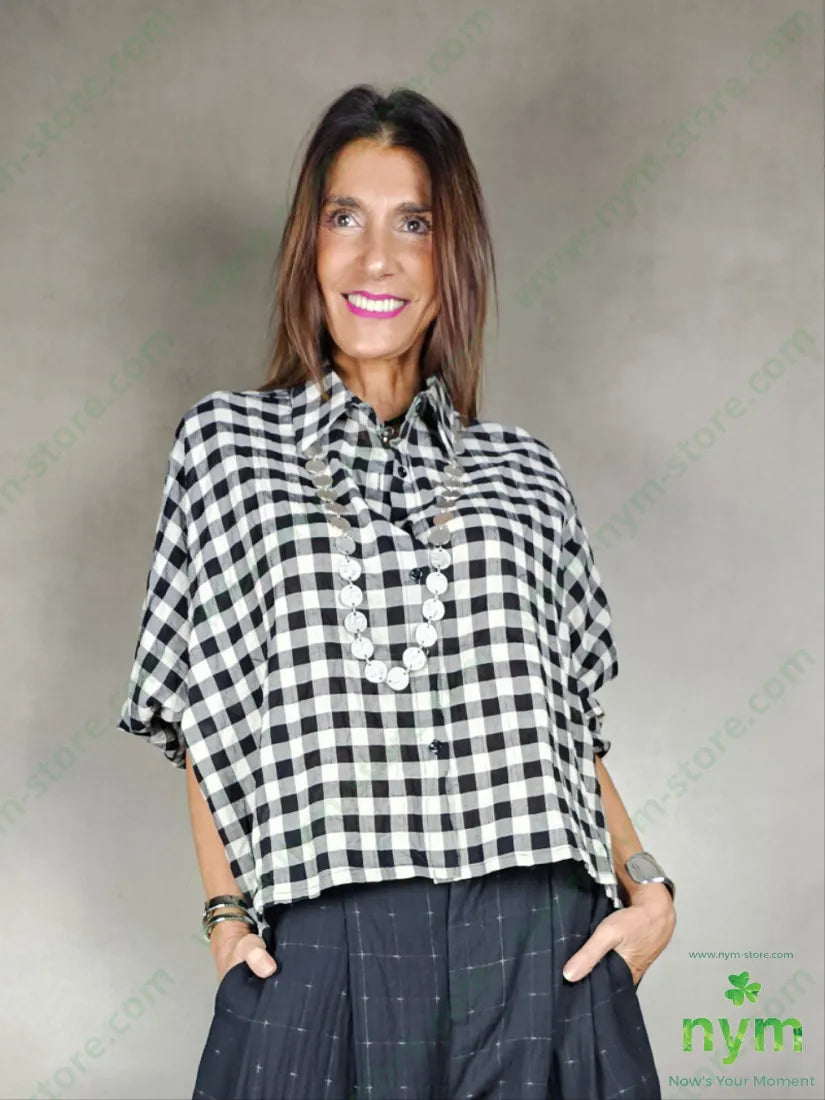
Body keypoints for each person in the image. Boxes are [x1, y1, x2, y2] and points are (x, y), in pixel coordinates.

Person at [117, 83, 676, 1100]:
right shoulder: (227, 446)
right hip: (328, 939)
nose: (376, 257)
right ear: (310, 245)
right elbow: (201, 707)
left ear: (450, 256)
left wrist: (647, 887)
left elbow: (572, 724)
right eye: (347, 218)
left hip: (541, 943)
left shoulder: (523, 471)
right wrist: (226, 919)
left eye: (413, 223)